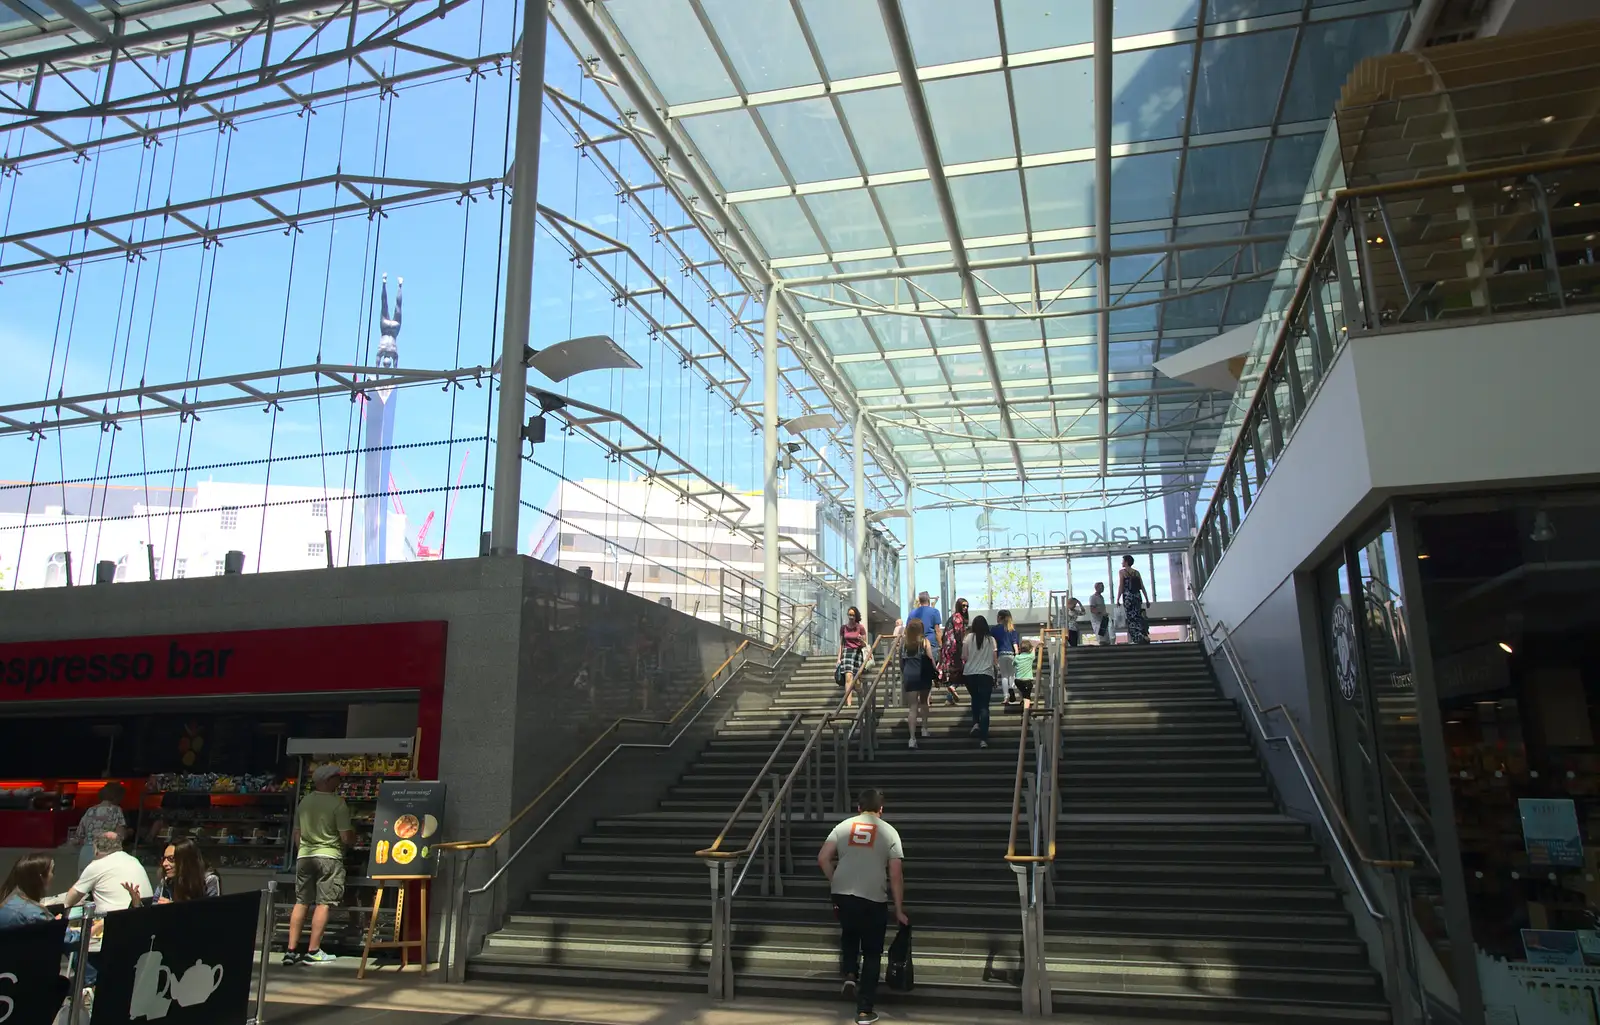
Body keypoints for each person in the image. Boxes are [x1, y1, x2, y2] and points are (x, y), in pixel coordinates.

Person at [817, 789, 906, 1025]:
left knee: (849, 930)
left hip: (842, 894)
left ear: (858, 808)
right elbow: (895, 874)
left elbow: (823, 858)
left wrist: (834, 879)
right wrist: (898, 909)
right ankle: (865, 1010)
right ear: (881, 810)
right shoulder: (889, 832)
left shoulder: (843, 826)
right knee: (873, 951)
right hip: (873, 897)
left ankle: (849, 973)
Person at [58, 831, 151, 986]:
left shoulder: (96, 865)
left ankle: (91, 981)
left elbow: (70, 899)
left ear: (95, 849)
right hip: (139, 926)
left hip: (112, 929)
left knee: (68, 939)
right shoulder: (133, 860)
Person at [285, 764, 356, 966]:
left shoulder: (304, 802)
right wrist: (353, 837)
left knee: (301, 901)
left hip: (305, 856)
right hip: (329, 856)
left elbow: (297, 834)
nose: (339, 781)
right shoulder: (338, 804)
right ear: (327, 781)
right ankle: (313, 950)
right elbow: (345, 836)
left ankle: (291, 950)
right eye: (336, 778)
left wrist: (303, 851)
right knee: (323, 903)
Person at [70, 783, 126, 877]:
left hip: (86, 852)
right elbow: (120, 836)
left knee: (84, 887)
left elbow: (79, 835)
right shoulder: (116, 810)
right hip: (105, 853)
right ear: (117, 796)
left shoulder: (90, 810)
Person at [900, 618, 936, 749]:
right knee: (924, 702)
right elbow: (930, 659)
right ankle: (924, 728)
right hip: (923, 674)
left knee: (912, 707)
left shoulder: (904, 643)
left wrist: (904, 673)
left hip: (909, 675)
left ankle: (912, 738)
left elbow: (900, 662)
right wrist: (936, 672)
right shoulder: (924, 642)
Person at [962, 615, 997, 748]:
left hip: (970, 673)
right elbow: (995, 660)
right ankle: (983, 739)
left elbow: (964, 656)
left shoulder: (968, 638)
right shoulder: (991, 640)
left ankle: (976, 723)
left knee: (975, 698)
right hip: (986, 674)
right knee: (984, 706)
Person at [151, 838, 221, 903]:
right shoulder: (166, 881)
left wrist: (174, 909)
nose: (164, 864)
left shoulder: (209, 880)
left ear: (186, 861)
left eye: (171, 859)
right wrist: (139, 904)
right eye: (164, 859)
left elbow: (212, 913)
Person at [836, 606, 869, 708]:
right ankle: (848, 703)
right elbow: (841, 643)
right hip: (847, 652)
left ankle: (860, 694)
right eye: (849, 615)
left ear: (856, 616)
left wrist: (860, 640)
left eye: (853, 615)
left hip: (857, 653)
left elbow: (865, 644)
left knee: (857, 681)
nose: (851, 617)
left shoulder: (860, 628)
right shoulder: (843, 628)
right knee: (848, 677)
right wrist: (838, 658)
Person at [938, 598, 969, 706]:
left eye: (966, 606)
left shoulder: (953, 617)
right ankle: (953, 688)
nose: (965, 608)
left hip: (948, 649)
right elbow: (958, 634)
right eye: (963, 606)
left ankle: (949, 698)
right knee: (961, 671)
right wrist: (962, 649)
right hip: (955, 649)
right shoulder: (958, 618)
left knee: (953, 673)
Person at [1118, 555, 1151, 645]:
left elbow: (1121, 586)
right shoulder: (1136, 572)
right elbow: (1142, 586)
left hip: (1128, 597)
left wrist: (1118, 598)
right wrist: (1147, 599)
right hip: (1137, 597)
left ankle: (1136, 638)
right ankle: (1142, 635)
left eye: (1123, 561)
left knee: (1130, 618)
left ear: (1126, 562)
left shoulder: (1122, 572)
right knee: (1137, 617)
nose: (1122, 562)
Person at [992, 610, 1020, 705]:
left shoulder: (994, 629)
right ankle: (1011, 687)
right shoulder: (1012, 629)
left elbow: (992, 643)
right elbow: (1015, 643)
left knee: (1004, 676)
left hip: (1001, 654)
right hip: (1011, 654)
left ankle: (1006, 697)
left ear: (999, 617)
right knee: (1012, 675)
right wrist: (1017, 654)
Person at [1014, 639, 1037, 711]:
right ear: (1029, 649)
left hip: (1017, 680)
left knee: (1021, 689)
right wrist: (1034, 646)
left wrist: (1017, 654)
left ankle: (1022, 700)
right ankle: (1026, 713)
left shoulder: (1017, 657)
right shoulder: (1030, 657)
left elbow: (1013, 664)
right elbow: (1033, 650)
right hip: (1027, 680)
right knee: (1027, 697)